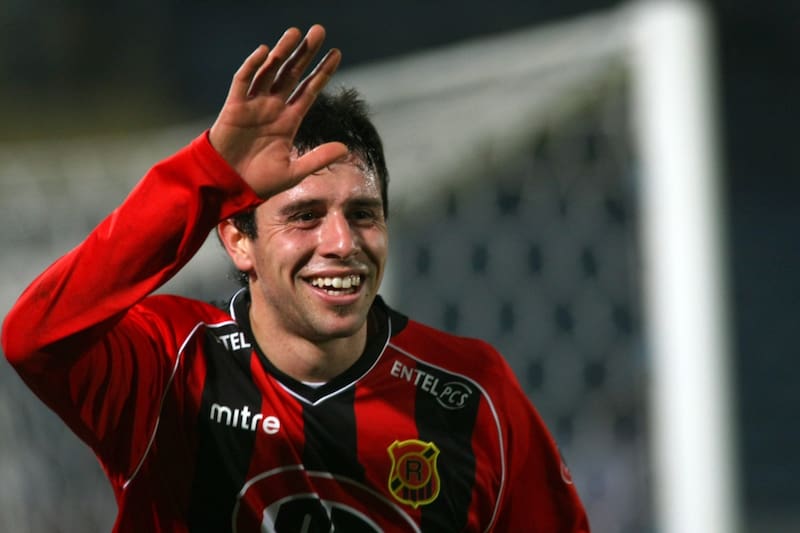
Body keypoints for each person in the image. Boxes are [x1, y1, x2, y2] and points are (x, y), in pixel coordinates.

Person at [1, 25, 589, 532]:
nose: (341, 244)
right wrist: (206, 175)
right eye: (305, 217)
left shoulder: (471, 394)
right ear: (238, 239)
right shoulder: (169, 365)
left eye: (363, 215)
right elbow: (33, 337)